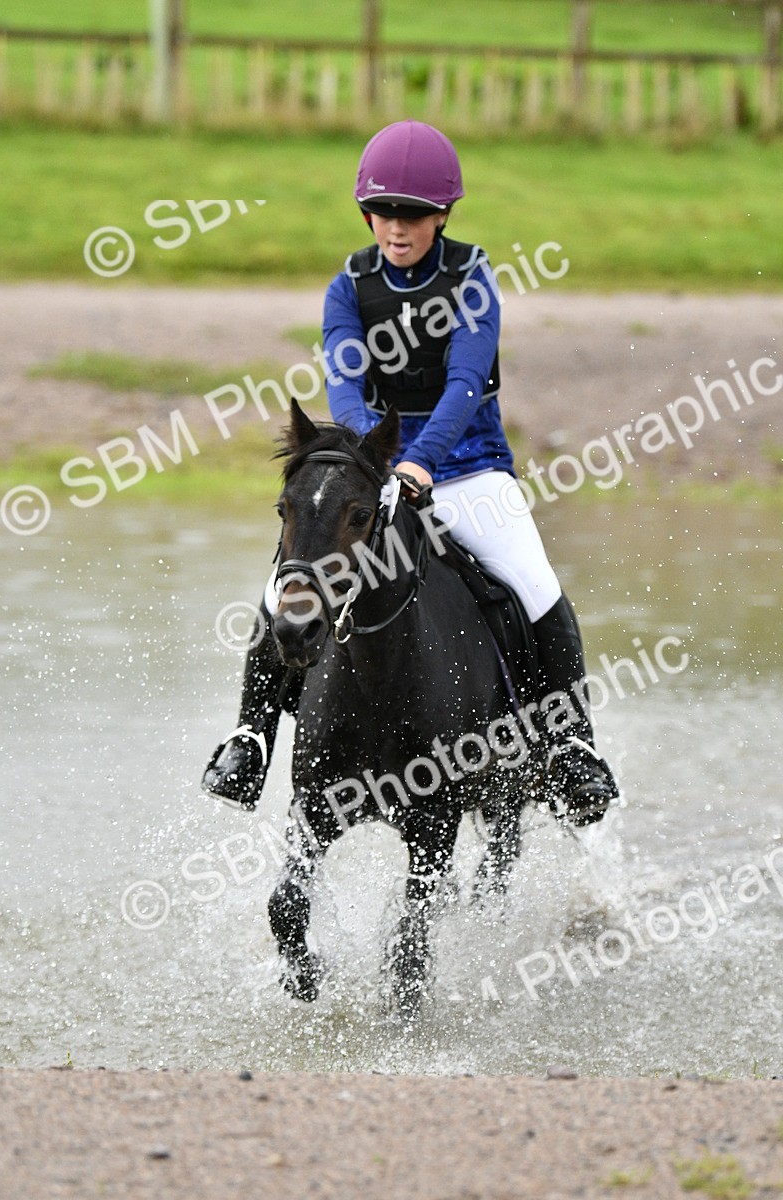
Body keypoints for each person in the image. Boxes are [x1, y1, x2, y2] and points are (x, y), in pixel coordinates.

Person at [202, 119, 618, 825]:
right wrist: (373, 462)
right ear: (368, 214)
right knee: (286, 580)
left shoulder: (472, 279)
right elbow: (345, 377)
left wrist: (421, 463)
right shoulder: (350, 287)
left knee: (534, 583)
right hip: (375, 465)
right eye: (385, 212)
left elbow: (463, 382)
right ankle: (250, 742)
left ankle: (572, 744)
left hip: (468, 470)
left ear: (442, 214)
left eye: (414, 214)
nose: (397, 227)